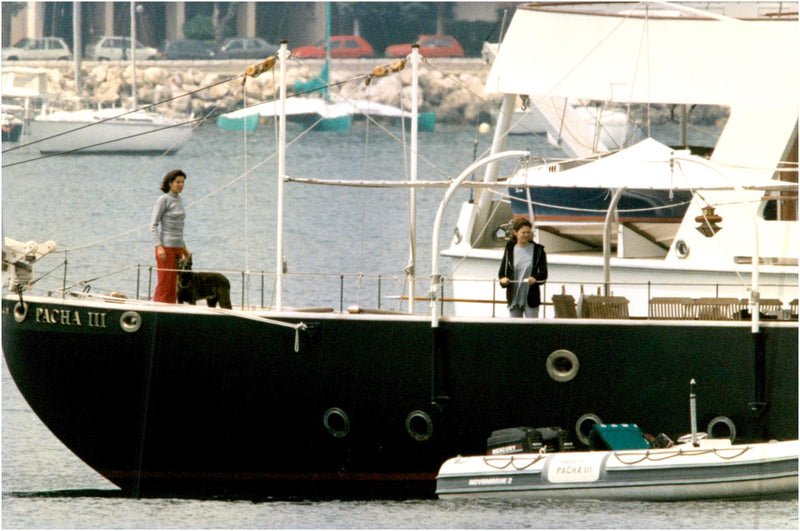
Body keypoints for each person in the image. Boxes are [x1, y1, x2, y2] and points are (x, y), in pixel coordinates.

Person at [150, 169, 190, 303]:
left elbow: (178, 228)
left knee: (176, 284)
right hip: (165, 248)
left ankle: (173, 308)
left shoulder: (180, 200)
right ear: (170, 183)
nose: (180, 185)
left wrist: (185, 249)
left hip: (178, 247)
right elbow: (153, 225)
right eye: (178, 182)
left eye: (183, 182)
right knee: (165, 283)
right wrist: (159, 246)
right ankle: (159, 307)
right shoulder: (163, 200)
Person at [498, 218, 548, 318]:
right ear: (515, 233)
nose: (526, 235)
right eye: (523, 232)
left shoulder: (538, 250)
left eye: (528, 232)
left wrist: (535, 279)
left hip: (531, 297)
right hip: (514, 297)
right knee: (515, 329)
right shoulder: (509, 249)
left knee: (531, 327)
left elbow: (543, 274)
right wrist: (503, 280)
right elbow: (502, 273)